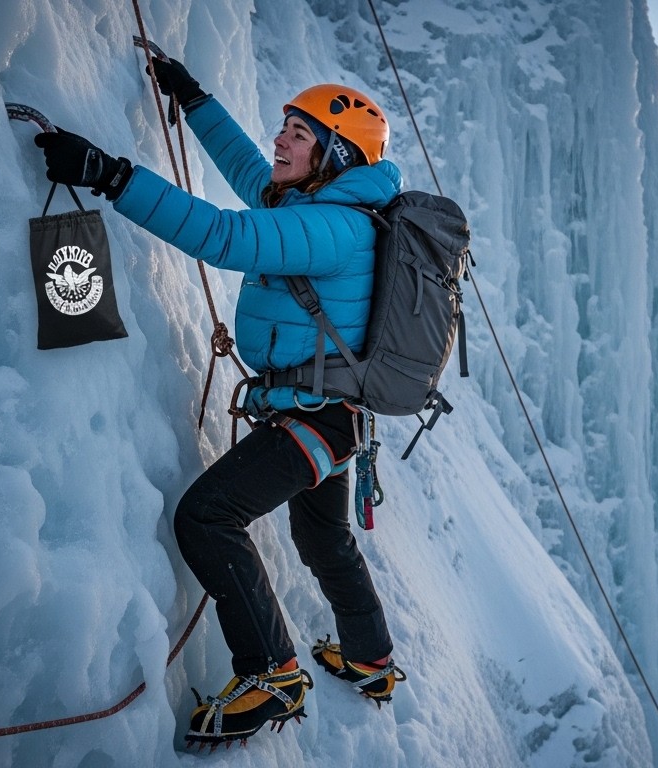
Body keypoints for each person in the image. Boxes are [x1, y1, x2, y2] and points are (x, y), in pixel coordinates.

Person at [36, 57, 406, 747]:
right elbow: (247, 173)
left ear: (337, 154)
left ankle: (272, 673)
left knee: (207, 517)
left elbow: (226, 236)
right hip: (326, 414)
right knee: (322, 536)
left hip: (315, 418)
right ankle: (370, 657)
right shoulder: (311, 205)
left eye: (301, 133)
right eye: (286, 126)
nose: (283, 139)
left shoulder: (339, 227)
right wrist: (196, 100)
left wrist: (112, 176)